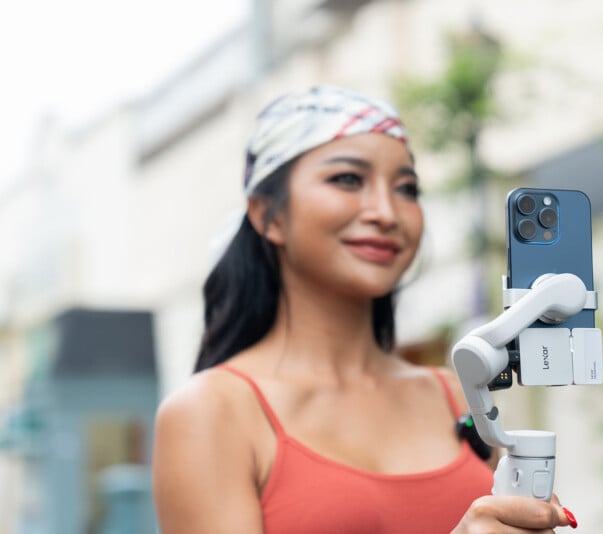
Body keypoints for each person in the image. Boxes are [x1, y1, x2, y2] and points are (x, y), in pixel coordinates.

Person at [152, 85, 578, 533]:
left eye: (407, 188)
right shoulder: (211, 412)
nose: (386, 212)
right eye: (348, 180)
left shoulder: (452, 394)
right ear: (267, 216)